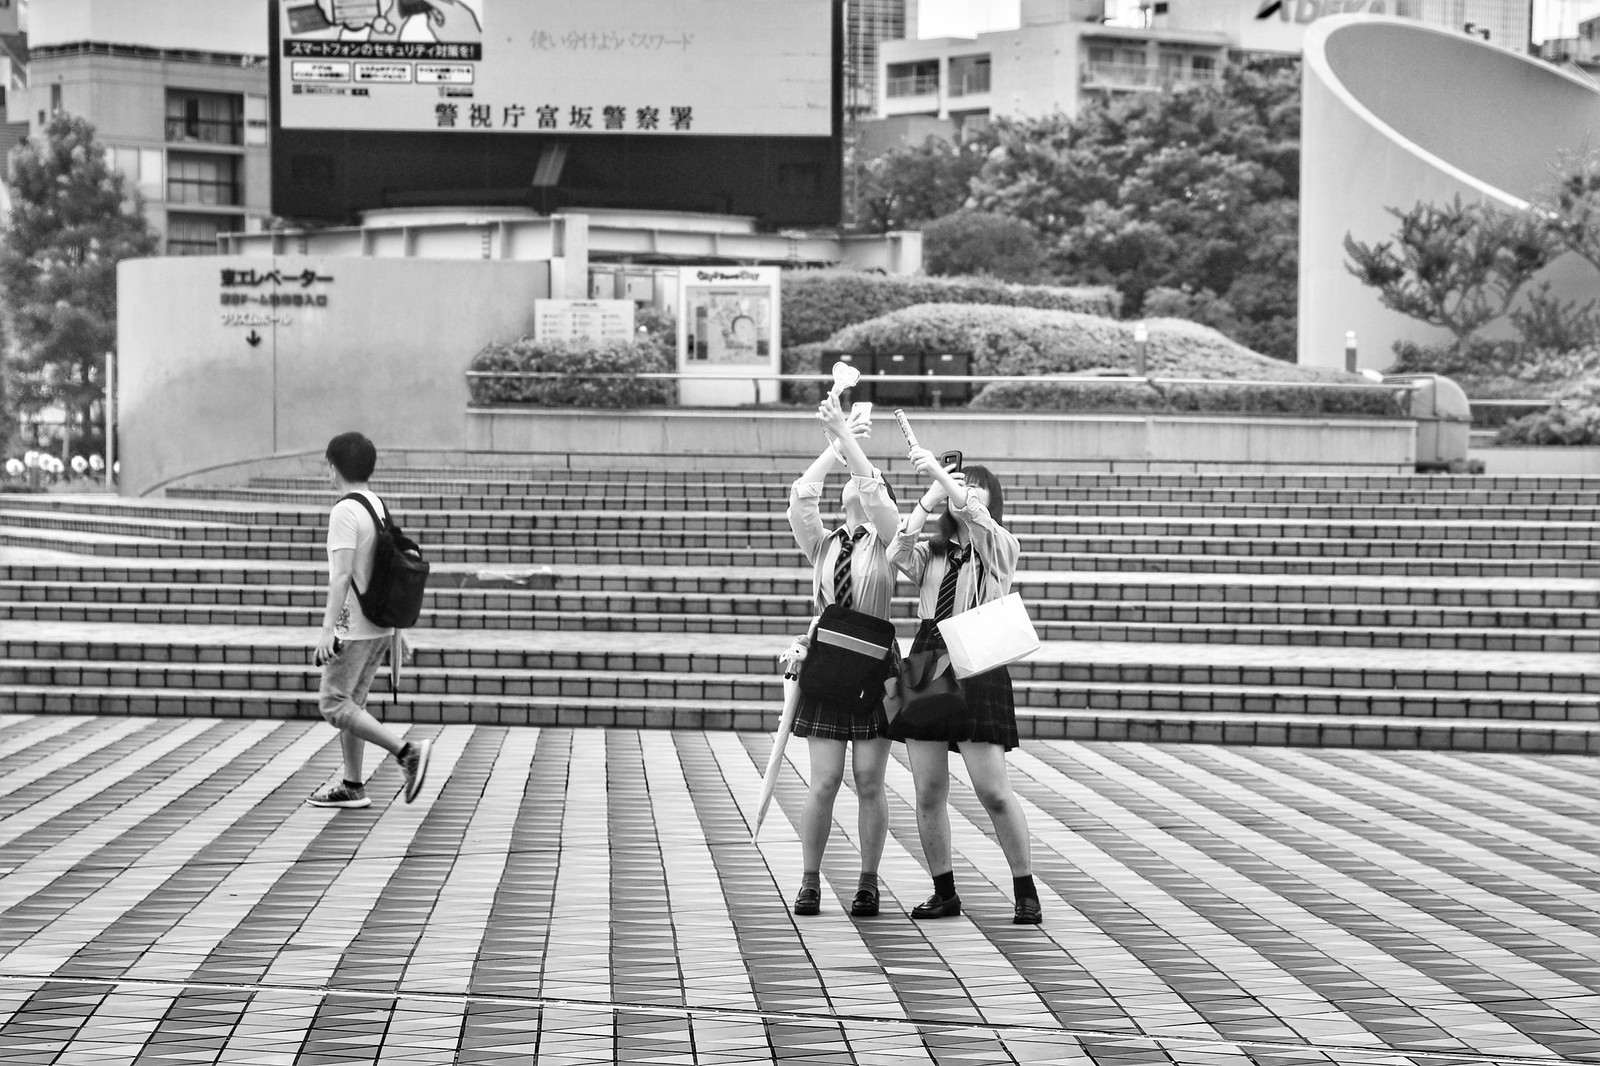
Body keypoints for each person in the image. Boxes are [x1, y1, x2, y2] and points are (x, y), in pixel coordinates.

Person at [888, 447, 1042, 925]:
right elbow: (895, 552)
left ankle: (1024, 887)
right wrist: (926, 500)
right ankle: (944, 890)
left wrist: (943, 477)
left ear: (991, 502)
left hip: (978, 661)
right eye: (962, 483)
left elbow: (974, 515)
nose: (967, 491)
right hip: (930, 657)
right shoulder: (930, 554)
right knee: (928, 789)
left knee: (993, 790)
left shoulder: (999, 547)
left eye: (977, 487)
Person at [784, 396, 901, 918]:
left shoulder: (892, 540)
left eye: (860, 475)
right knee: (825, 780)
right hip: (830, 663)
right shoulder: (825, 541)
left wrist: (852, 445)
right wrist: (834, 445)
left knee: (870, 781)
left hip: (874, 665)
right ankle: (810, 878)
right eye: (850, 477)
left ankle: (868, 880)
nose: (855, 482)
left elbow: (876, 494)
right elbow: (802, 495)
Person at [308, 431, 432, 809]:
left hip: (354, 628)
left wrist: (328, 630)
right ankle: (352, 784)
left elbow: (342, 575)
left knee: (333, 703)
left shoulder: (345, 511)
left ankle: (407, 752)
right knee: (353, 705)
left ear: (333, 468)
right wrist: (396, 630)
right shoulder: (374, 503)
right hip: (378, 625)